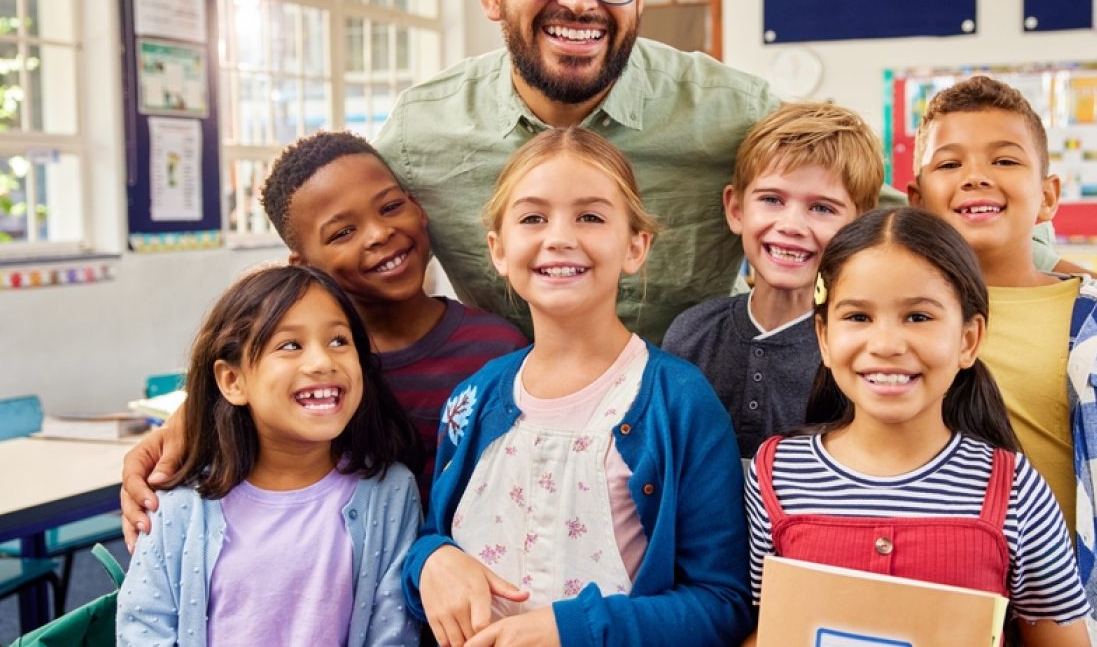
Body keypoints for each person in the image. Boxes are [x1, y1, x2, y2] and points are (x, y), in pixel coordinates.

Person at [374, 0, 1067, 343]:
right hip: (521, 419)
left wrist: (1073, 288)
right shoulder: (424, 131)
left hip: (696, 414)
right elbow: (358, 254)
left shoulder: (728, 112)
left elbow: (888, 216)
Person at [405, 128, 750, 647]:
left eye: (590, 216)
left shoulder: (678, 403)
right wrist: (428, 561)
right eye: (532, 218)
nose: (559, 237)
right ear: (499, 250)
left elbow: (722, 604)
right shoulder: (471, 400)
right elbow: (434, 537)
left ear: (636, 246)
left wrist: (574, 630)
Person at [118, 132, 528, 548]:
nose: (378, 234)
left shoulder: (498, 346)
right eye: (342, 233)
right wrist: (189, 423)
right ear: (305, 265)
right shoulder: (310, 373)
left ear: (418, 209)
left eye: (390, 207)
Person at [745, 208, 1090, 646]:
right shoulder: (776, 472)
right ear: (825, 337)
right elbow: (771, 629)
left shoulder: (1016, 490)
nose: (887, 344)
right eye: (858, 317)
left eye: (918, 317)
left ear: (969, 340)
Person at [907, 75, 1097, 524]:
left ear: (1047, 197)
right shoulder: (890, 315)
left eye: (1005, 160)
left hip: (1082, 582)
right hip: (944, 575)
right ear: (916, 201)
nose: (975, 177)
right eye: (949, 165)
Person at [117, 265, 422, 646]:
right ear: (233, 381)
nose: (323, 362)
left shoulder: (389, 492)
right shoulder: (178, 507)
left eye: (339, 341)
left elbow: (392, 633)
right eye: (290, 345)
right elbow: (143, 630)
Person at [663, 102, 884, 457]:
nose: (792, 226)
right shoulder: (691, 334)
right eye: (772, 199)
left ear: (859, 228)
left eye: (822, 208)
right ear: (736, 210)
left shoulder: (864, 350)